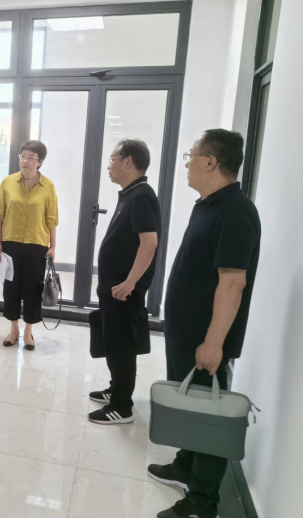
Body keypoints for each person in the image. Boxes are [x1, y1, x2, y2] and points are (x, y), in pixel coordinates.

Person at [148, 129, 261, 519]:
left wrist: (214, 343)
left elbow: (232, 284)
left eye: (191, 156)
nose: (187, 164)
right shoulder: (208, 205)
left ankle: (202, 502)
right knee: (189, 409)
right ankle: (186, 465)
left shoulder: (236, 213)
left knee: (208, 417)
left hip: (203, 340)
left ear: (210, 162)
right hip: (185, 333)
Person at [88, 139, 160, 425]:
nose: (109, 165)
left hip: (123, 290)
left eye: (112, 159)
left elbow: (149, 243)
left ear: (128, 162)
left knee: (121, 346)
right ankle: (115, 388)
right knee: (113, 342)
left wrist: (130, 282)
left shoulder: (140, 196)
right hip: (115, 287)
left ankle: (122, 406)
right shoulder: (131, 194)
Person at [0, 140, 58, 351]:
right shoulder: (7, 183)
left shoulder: (48, 186)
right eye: (23, 156)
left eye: (31, 157)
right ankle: (13, 329)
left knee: (32, 289)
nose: (25, 161)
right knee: (11, 289)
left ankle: (28, 331)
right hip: (10, 244)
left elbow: (51, 218)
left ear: (40, 162)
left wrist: (53, 246)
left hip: (37, 245)